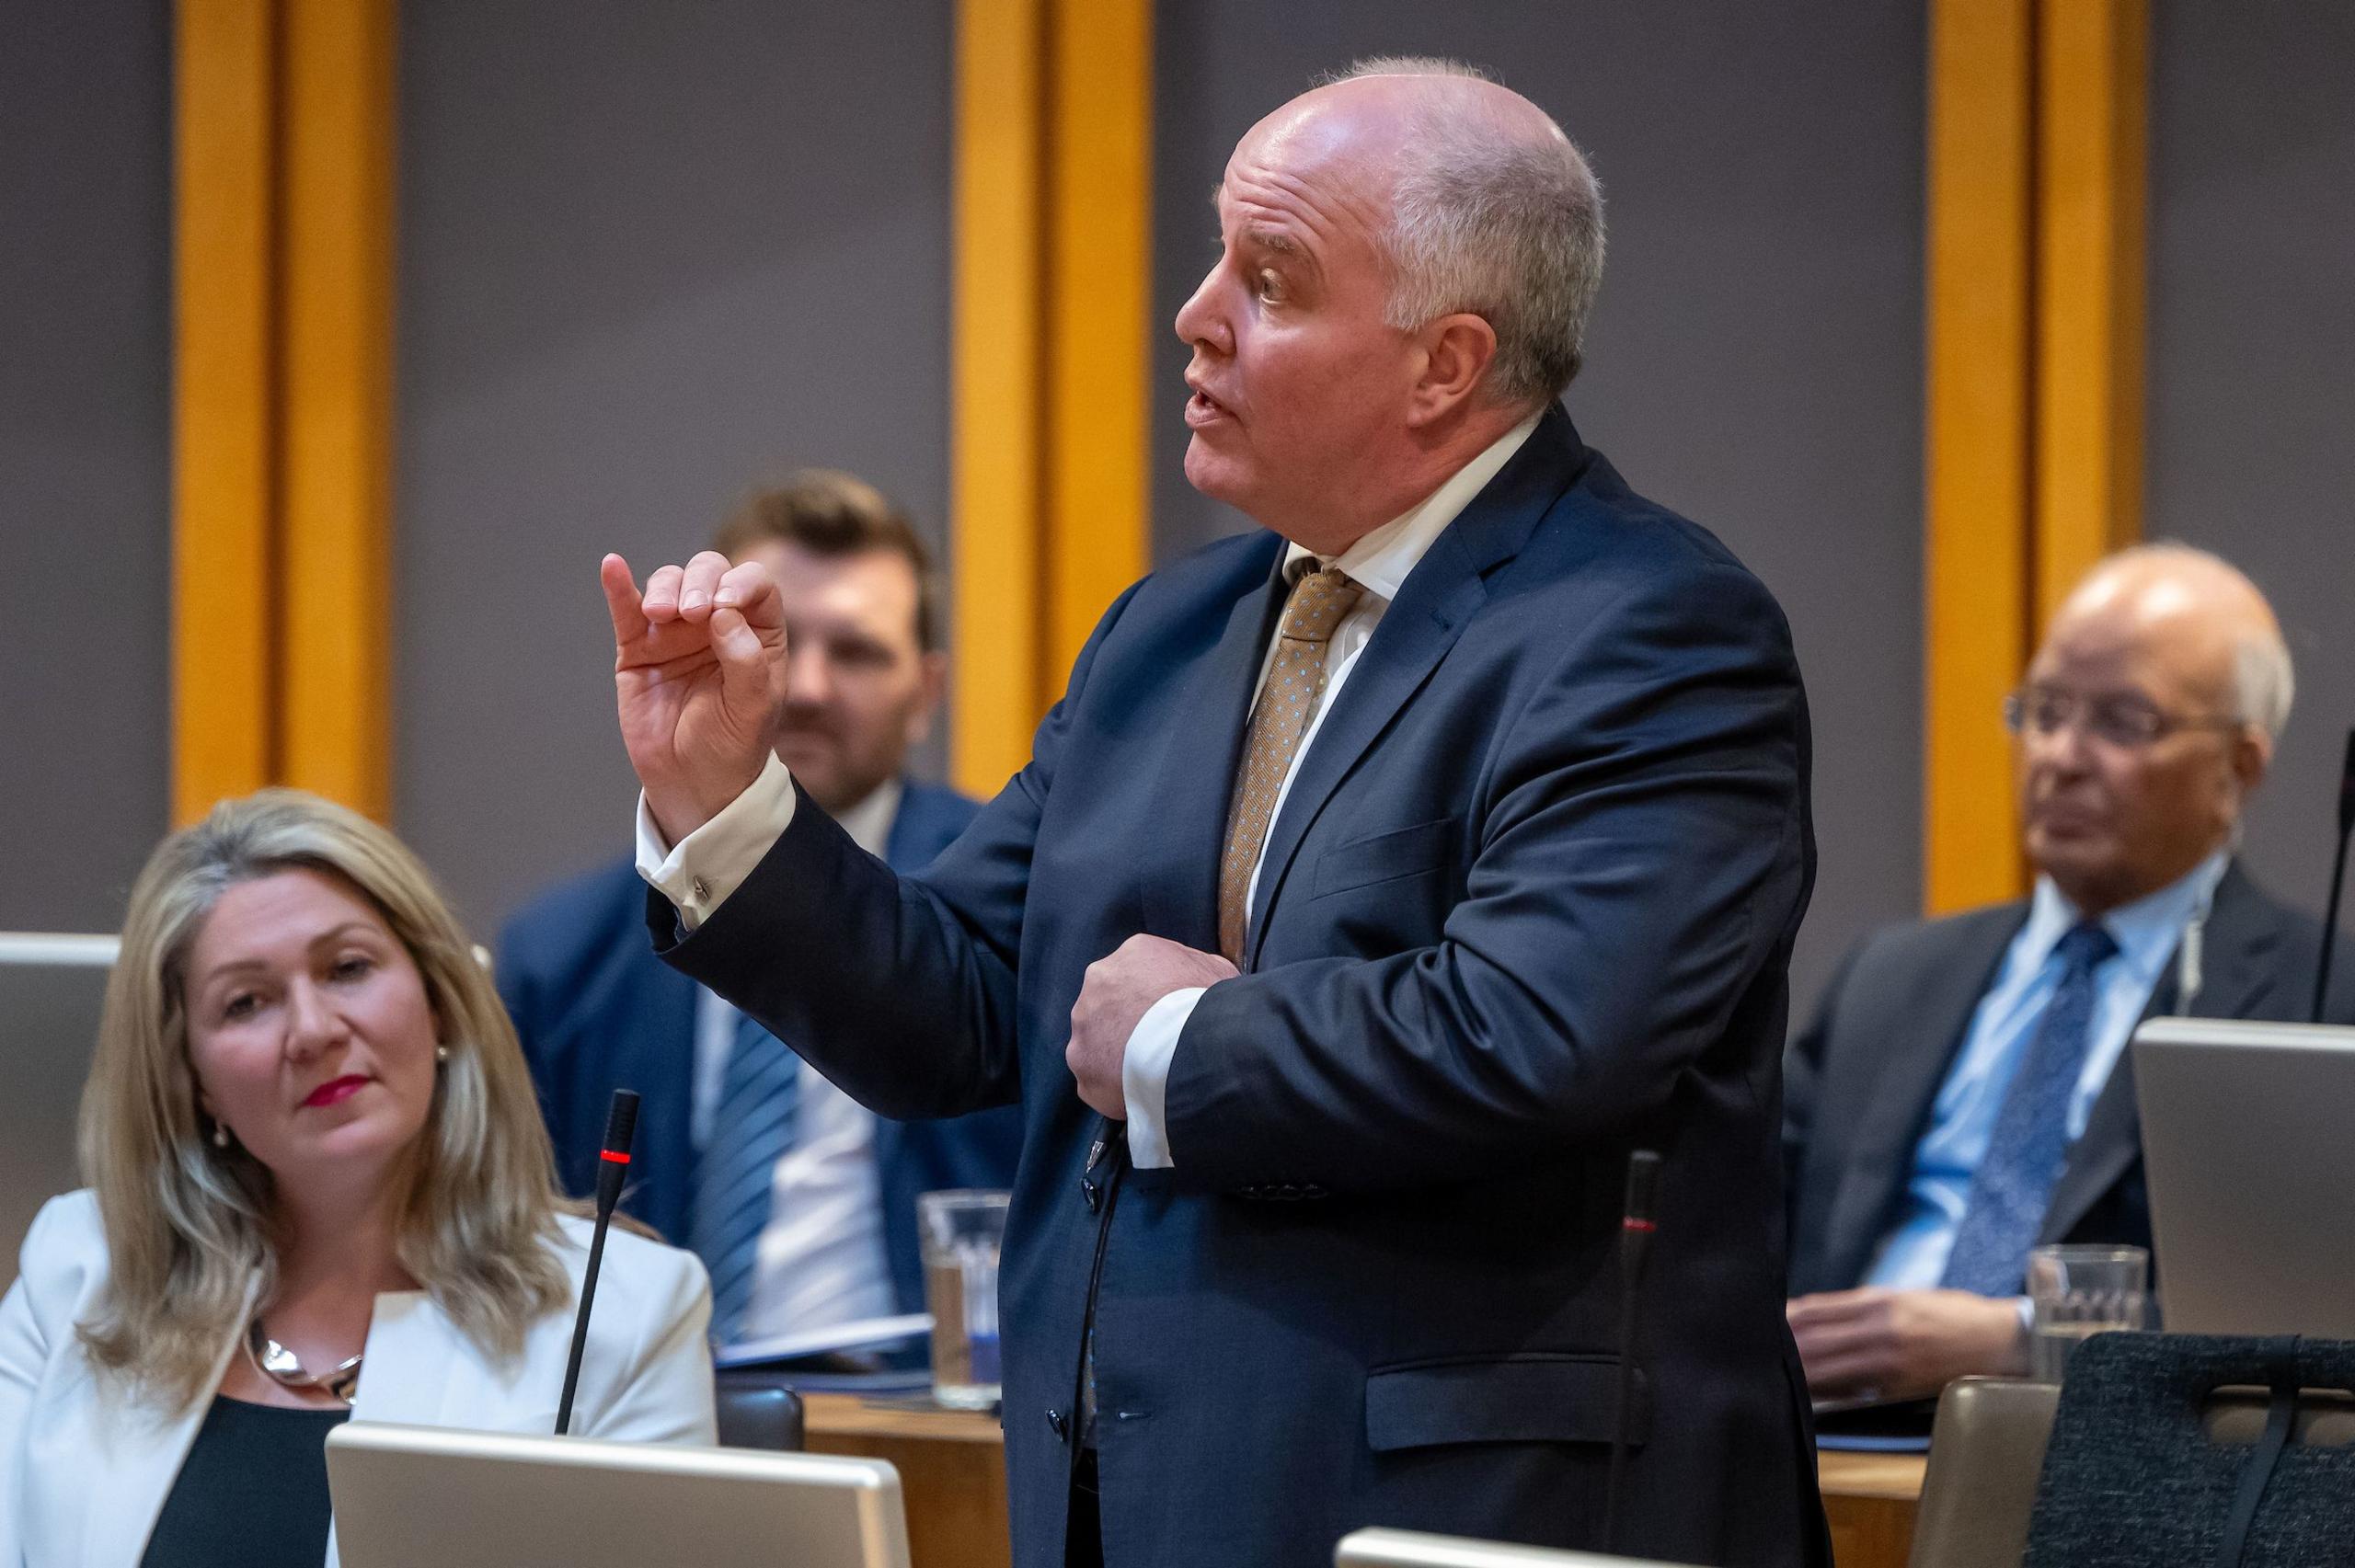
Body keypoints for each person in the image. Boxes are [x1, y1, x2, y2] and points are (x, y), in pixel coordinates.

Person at [603, 58, 1826, 1568]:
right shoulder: (1166, 637)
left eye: (1270, 278)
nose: (1194, 314)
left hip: (1468, 1520)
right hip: (1117, 1503)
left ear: (1444, 364)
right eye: (1215, 256)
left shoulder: (1652, 629)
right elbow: (963, 1013)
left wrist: (1181, 1043)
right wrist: (723, 803)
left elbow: (1539, 1037)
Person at [0, 792, 715, 1568]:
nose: (312, 1030)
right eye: (246, 1002)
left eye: (347, 968)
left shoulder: (628, 1313)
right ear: (193, 1078)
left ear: (439, 1003)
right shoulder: (75, 1273)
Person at [1785, 544, 2355, 1402]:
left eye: (2122, 723)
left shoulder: (2319, 999)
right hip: (1823, 1443)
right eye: (2045, 712)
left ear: (2238, 769)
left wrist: (2027, 1340)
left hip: (2091, 1469)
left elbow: (2312, 1317)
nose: (2063, 755)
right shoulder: (1893, 976)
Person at [500, 471, 1020, 1345]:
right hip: (662, 1422)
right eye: (777, 645)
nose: (809, 688)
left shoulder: (1015, 900)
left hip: (935, 1415)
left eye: (857, 652)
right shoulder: (560, 957)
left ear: (927, 693)